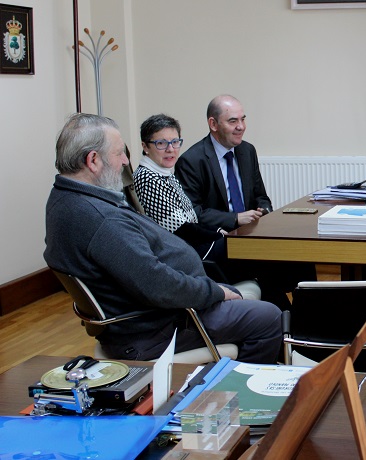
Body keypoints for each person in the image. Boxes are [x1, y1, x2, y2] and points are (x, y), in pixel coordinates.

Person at [44, 113, 283, 364]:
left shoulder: (63, 198)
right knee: (267, 317)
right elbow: (158, 285)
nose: (126, 161)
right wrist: (215, 292)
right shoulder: (101, 219)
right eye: (119, 154)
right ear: (93, 160)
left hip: (149, 318)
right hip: (156, 328)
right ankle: (241, 393)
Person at [176, 95, 316, 309]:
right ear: (213, 124)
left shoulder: (247, 151)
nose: (241, 127)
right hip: (222, 244)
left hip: (253, 236)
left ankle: (307, 321)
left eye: (243, 119)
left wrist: (265, 210)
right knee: (269, 267)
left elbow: (261, 195)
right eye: (233, 121)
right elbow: (193, 214)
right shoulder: (192, 160)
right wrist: (235, 218)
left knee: (302, 256)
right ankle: (285, 323)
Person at [133, 114, 226, 262]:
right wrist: (219, 236)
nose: (171, 149)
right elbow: (180, 229)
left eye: (175, 142)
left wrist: (218, 230)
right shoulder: (146, 177)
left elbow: (191, 219)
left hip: (190, 245)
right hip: (180, 253)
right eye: (161, 143)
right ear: (145, 146)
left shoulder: (165, 173)